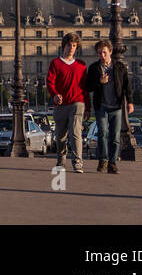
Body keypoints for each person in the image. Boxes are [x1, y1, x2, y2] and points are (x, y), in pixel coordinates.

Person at [83, 39, 134, 174]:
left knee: (115, 136)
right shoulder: (94, 68)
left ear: (110, 52)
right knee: (103, 133)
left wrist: (130, 102)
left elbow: (126, 86)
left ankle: (112, 162)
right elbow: (88, 87)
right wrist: (100, 82)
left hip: (116, 106)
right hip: (101, 106)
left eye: (104, 53)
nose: (102, 56)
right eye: (99, 53)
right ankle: (103, 160)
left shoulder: (119, 67)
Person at [47, 32, 87, 173]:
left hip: (77, 102)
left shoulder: (81, 66)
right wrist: (54, 95)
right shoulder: (56, 63)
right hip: (61, 104)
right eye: (69, 45)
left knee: (75, 132)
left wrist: (88, 107)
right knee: (60, 135)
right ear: (64, 46)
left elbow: (85, 88)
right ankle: (61, 159)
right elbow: (50, 82)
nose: (71, 48)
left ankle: (77, 162)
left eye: (74, 45)